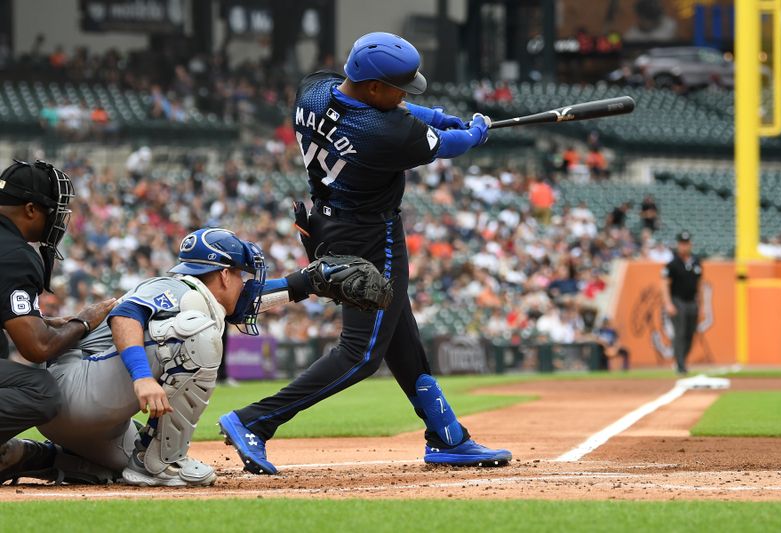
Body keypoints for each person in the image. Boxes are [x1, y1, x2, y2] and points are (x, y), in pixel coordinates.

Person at [219, 31, 510, 475]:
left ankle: (447, 435)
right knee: (360, 353)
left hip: (326, 225)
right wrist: (473, 131)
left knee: (398, 332)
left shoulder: (314, 90)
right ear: (375, 87)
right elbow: (446, 144)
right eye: (398, 88)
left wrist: (435, 115)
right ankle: (255, 419)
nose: (403, 95)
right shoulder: (386, 133)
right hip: (372, 238)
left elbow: (397, 114)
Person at [0, 228, 389, 485]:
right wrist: (141, 376)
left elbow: (242, 304)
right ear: (222, 274)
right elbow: (124, 315)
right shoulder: (176, 288)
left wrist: (304, 284)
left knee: (119, 471)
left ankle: (32, 456)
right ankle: (164, 461)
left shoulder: (193, 293)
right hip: (77, 389)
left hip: (82, 417)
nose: (246, 283)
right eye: (241, 275)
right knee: (198, 334)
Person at [0, 160, 114, 472]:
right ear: (30, 209)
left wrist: (47, 322)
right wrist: (84, 320)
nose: (59, 218)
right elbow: (36, 347)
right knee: (42, 390)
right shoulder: (14, 253)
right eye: (53, 209)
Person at [661, 231, 703, 374]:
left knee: (690, 333)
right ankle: (680, 365)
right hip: (677, 301)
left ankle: (682, 360)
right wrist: (668, 303)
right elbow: (665, 284)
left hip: (692, 301)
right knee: (680, 332)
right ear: (679, 245)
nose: (684, 246)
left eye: (687, 243)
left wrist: (701, 304)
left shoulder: (696, 262)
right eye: (682, 244)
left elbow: (699, 284)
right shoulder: (672, 264)